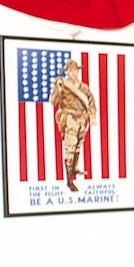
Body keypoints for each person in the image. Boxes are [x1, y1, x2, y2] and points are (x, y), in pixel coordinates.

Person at [49, 59, 98, 191]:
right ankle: (69, 181)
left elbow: (91, 101)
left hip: (82, 120)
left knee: (78, 146)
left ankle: (74, 169)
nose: (73, 73)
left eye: (75, 70)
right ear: (67, 72)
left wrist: (92, 116)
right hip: (70, 119)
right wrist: (58, 89)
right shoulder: (62, 85)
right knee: (70, 149)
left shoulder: (84, 87)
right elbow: (53, 102)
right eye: (70, 70)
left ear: (78, 71)